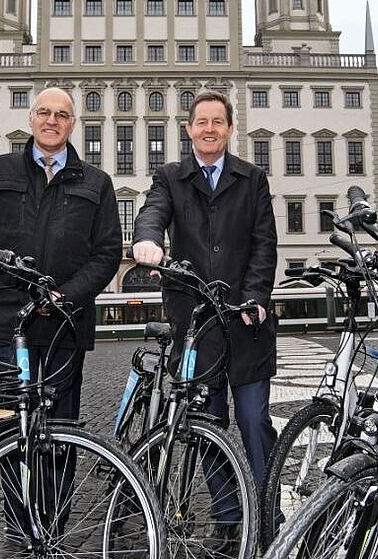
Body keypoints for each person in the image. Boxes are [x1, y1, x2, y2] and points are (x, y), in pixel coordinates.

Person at [131, 90, 279, 548]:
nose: (210, 129)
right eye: (202, 122)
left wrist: (256, 295)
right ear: (189, 129)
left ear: (230, 129)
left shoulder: (252, 178)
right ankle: (229, 520)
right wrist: (147, 239)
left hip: (245, 320)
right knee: (208, 429)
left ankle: (267, 513)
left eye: (219, 122)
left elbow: (263, 243)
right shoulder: (171, 176)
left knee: (254, 422)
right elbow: (152, 212)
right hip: (196, 326)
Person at [0, 86, 121, 420]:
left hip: (66, 323)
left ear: (73, 124)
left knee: (59, 423)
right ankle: (13, 474)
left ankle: (54, 475)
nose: (52, 121)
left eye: (62, 115)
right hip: (8, 318)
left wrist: (65, 296)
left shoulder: (97, 182)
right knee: (7, 420)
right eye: (44, 113)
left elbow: (107, 255)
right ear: (31, 119)